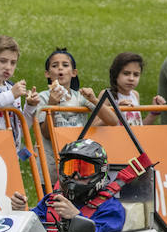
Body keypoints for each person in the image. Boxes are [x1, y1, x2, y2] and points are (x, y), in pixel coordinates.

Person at [10, 139, 125, 232]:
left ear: (101, 173)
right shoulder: (52, 201)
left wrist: (76, 218)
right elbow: (30, 230)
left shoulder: (111, 209)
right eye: (70, 169)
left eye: (84, 171)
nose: (75, 177)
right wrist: (22, 211)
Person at [23, 48, 116, 178]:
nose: (60, 69)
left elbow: (112, 121)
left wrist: (94, 99)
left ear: (74, 72)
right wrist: (52, 105)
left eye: (65, 65)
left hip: (78, 165)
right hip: (51, 166)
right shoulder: (42, 98)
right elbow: (46, 134)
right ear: (47, 74)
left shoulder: (80, 97)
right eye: (55, 66)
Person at [105, 52, 165, 126]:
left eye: (136, 75)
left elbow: (139, 127)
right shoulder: (107, 95)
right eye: (126, 73)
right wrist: (116, 112)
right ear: (115, 74)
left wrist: (154, 112)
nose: (131, 78)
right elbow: (94, 126)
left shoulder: (135, 95)